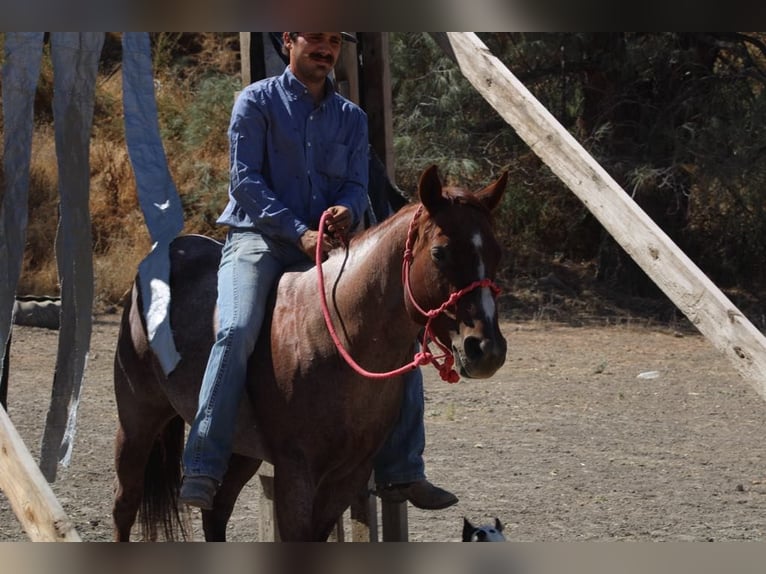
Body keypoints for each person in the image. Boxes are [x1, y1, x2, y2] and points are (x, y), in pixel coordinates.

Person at [179, 32, 456, 511]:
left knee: (397, 331)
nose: (326, 49)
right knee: (237, 328)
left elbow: (354, 184)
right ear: (289, 40)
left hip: (327, 245)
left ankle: (403, 468)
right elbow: (244, 182)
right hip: (259, 239)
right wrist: (297, 231)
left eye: (334, 40)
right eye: (316, 38)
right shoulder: (255, 102)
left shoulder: (352, 118)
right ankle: (204, 461)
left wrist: (347, 211)